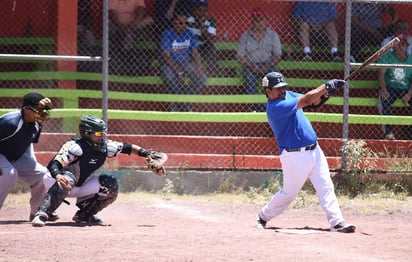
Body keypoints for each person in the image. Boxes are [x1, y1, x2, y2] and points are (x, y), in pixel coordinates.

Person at [255, 72, 356, 233]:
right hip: (294, 155)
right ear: (267, 91)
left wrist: (326, 94)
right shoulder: (275, 108)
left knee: (325, 186)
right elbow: (307, 100)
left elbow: (314, 103)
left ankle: (337, 222)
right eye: (278, 89)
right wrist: (326, 86)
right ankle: (263, 216)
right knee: (289, 194)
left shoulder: (287, 95)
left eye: (283, 87)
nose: (282, 90)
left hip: (315, 149)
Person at [31, 115, 166, 227]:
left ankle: (84, 215)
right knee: (69, 176)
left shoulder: (106, 147)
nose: (102, 137)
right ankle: (42, 214)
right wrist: (58, 175)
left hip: (79, 184)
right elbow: (54, 163)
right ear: (86, 133)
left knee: (110, 184)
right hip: (55, 180)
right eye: (98, 134)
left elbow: (128, 148)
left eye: (104, 134)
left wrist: (147, 154)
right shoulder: (75, 147)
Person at [0, 92, 57, 221]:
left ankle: (37, 212)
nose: (43, 113)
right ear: (27, 109)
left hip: (16, 157)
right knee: (10, 173)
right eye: (39, 109)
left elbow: (27, 144)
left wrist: (33, 165)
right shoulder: (11, 122)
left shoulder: (36, 124)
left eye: (45, 110)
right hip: (2, 155)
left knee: (42, 174)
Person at [159, 13, 207, 112]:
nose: (184, 25)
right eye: (181, 23)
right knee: (168, 75)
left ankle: (181, 101)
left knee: (202, 77)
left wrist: (199, 66)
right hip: (170, 64)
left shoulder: (189, 33)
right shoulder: (167, 34)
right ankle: (182, 103)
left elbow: (195, 53)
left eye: (186, 23)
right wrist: (179, 72)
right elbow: (166, 57)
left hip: (185, 63)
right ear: (174, 23)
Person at [237, 8, 282, 112]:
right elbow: (240, 57)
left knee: (275, 77)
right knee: (249, 77)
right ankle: (256, 106)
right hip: (250, 65)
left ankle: (274, 105)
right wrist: (252, 66)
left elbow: (277, 56)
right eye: (256, 20)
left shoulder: (273, 35)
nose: (259, 23)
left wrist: (266, 67)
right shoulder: (245, 36)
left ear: (266, 21)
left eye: (261, 20)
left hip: (268, 64)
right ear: (252, 22)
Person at [378, 34, 412, 140]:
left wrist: (409, 93)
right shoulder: (387, 56)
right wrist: (383, 89)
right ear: (393, 46)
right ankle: (389, 132)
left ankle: (408, 129)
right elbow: (381, 75)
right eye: (397, 44)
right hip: (390, 87)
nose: (400, 46)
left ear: (407, 46)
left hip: (406, 88)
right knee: (385, 100)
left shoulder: (411, 59)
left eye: (403, 44)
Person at [109, 0, 155, 75]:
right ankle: (126, 55)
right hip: (117, 26)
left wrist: (135, 23)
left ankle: (126, 49)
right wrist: (121, 26)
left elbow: (141, 9)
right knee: (127, 33)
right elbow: (111, 13)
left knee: (149, 20)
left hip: (134, 25)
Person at [187, 0, 219, 76]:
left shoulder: (211, 21)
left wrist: (201, 24)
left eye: (205, 10)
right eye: (200, 10)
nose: (202, 13)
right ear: (194, 11)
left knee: (210, 46)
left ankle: (213, 70)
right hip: (190, 47)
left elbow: (209, 38)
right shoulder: (187, 20)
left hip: (203, 46)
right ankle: (192, 71)